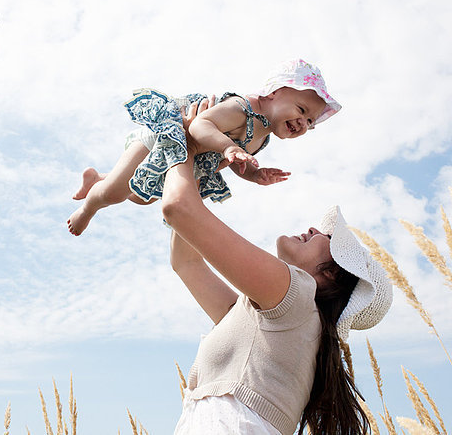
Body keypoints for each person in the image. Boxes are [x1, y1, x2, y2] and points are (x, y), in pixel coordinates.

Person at [161, 117, 393, 434]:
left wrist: (184, 145)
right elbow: (185, 262)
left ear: (333, 277)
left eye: (327, 239)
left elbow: (178, 208)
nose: (314, 229)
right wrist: (201, 166)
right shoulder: (278, 319)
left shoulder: (296, 295)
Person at [68, 58, 341, 236]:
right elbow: (200, 125)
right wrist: (227, 147)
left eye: (310, 121)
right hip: (168, 137)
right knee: (116, 192)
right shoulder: (242, 108)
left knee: (143, 197)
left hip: (187, 157)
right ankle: (88, 208)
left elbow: (236, 162)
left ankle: (99, 177)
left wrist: (255, 175)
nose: (303, 123)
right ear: (273, 93)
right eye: (301, 110)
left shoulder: (263, 135)